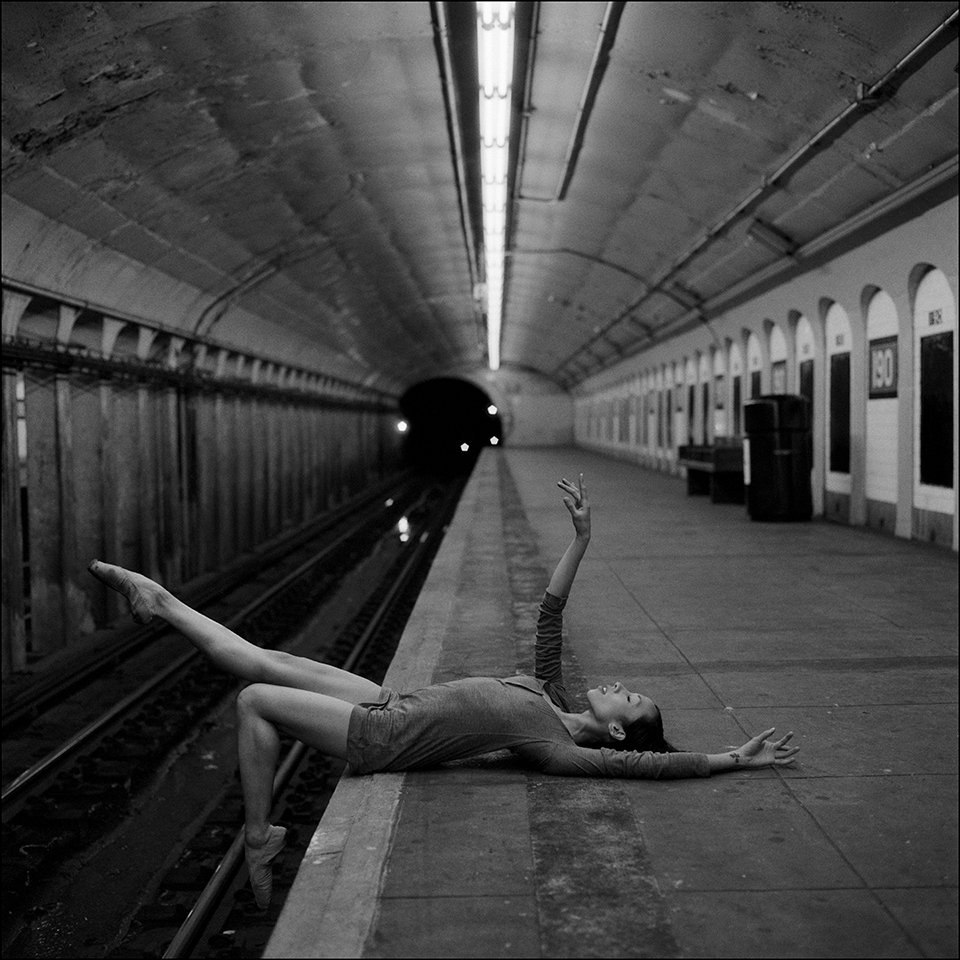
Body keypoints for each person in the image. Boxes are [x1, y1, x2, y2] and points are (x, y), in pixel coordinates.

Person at [88, 473, 798, 908]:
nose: (621, 687)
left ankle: (259, 838)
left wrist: (728, 760)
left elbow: (642, 766)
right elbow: (551, 612)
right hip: (391, 698)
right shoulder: (550, 692)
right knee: (266, 661)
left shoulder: (557, 748)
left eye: (630, 700)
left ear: (615, 730)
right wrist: (581, 539)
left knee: (252, 700)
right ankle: (160, 600)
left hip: (383, 737)